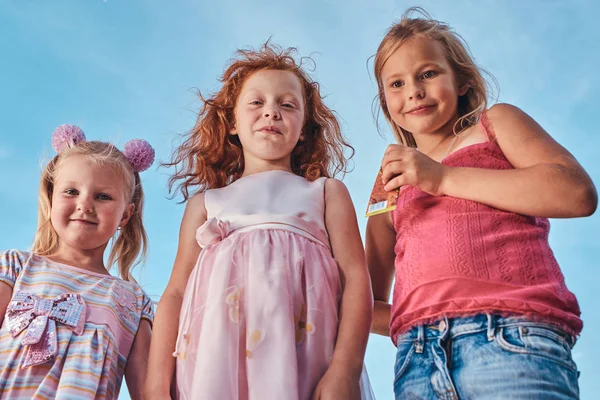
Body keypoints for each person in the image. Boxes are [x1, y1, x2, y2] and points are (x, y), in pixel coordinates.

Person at [367, 8, 597, 399]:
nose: (413, 92)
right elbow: (366, 300)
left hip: (514, 338)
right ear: (386, 100)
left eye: (428, 74)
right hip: (417, 362)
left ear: (461, 81)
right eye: (396, 83)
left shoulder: (495, 125)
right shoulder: (390, 180)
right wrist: (415, 324)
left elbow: (576, 193)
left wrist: (441, 179)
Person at [145, 43, 375, 400]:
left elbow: (357, 279)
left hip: (306, 360)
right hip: (215, 366)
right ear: (233, 123)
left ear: (303, 130)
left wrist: (346, 368)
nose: (272, 112)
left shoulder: (326, 193)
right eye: (257, 103)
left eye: (287, 105)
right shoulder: (206, 205)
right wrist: (156, 385)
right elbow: (175, 293)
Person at [0, 124, 156, 399]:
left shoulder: (132, 301)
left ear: (124, 215)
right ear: (51, 198)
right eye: (71, 192)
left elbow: (148, 391)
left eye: (103, 196)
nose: (85, 204)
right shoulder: (15, 267)